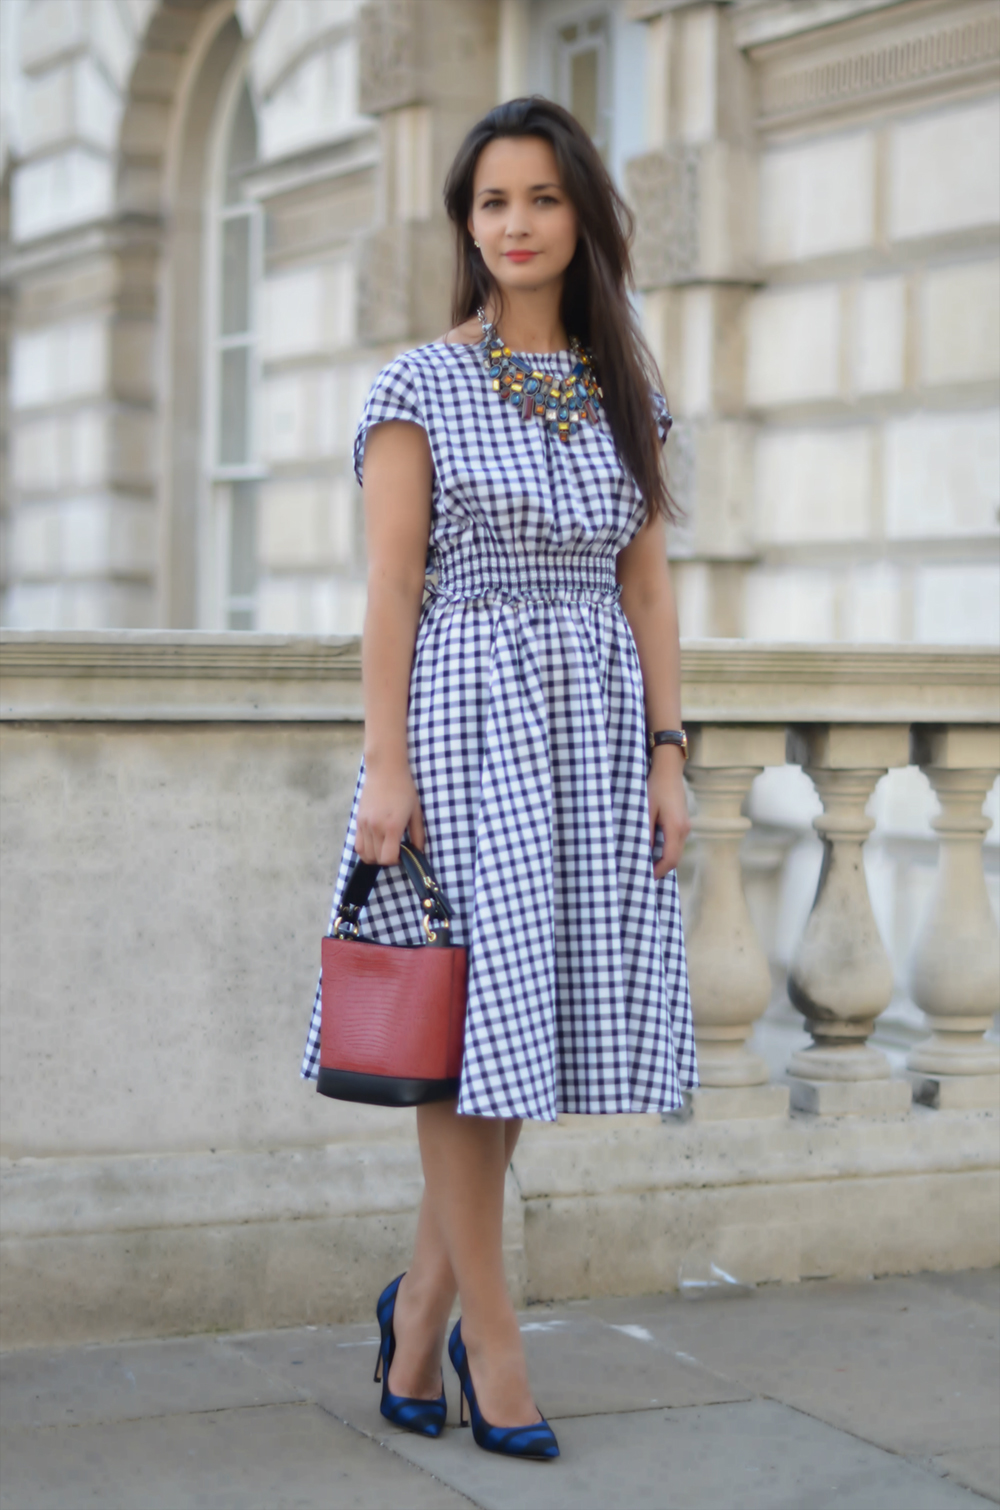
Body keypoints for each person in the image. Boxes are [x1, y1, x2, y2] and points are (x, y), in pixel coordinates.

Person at [300, 96, 697, 1461]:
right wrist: (386, 772)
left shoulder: (625, 388)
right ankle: (496, 1339)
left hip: (592, 736)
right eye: (491, 204)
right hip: (468, 727)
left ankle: (418, 1317)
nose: (515, 224)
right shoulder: (419, 383)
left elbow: (649, 591)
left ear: (582, 214)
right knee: (468, 1044)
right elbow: (391, 593)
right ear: (468, 227)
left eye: (540, 198)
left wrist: (668, 750)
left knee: (518, 1037)